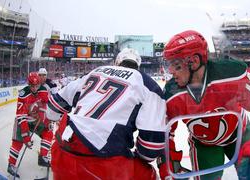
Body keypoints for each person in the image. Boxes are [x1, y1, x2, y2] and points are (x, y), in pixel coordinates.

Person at [157, 30, 250, 180]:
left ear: (194, 61)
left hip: (239, 132)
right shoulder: (171, 93)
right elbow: (163, 132)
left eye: (175, 65)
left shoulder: (231, 73)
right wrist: (168, 164)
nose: (170, 71)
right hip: (203, 144)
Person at [46, 48, 166, 180]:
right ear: (138, 65)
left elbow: (52, 110)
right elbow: (150, 149)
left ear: (117, 62)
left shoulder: (96, 71)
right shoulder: (148, 85)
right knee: (149, 174)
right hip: (105, 162)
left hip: (62, 151)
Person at [7, 72, 53, 178]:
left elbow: (47, 104)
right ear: (29, 84)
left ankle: (43, 156)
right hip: (23, 120)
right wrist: (26, 136)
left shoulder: (43, 90)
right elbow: (21, 116)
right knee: (18, 142)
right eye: (32, 86)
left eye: (37, 86)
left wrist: (45, 116)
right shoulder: (23, 94)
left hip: (36, 119)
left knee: (49, 131)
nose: (35, 88)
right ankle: (11, 164)